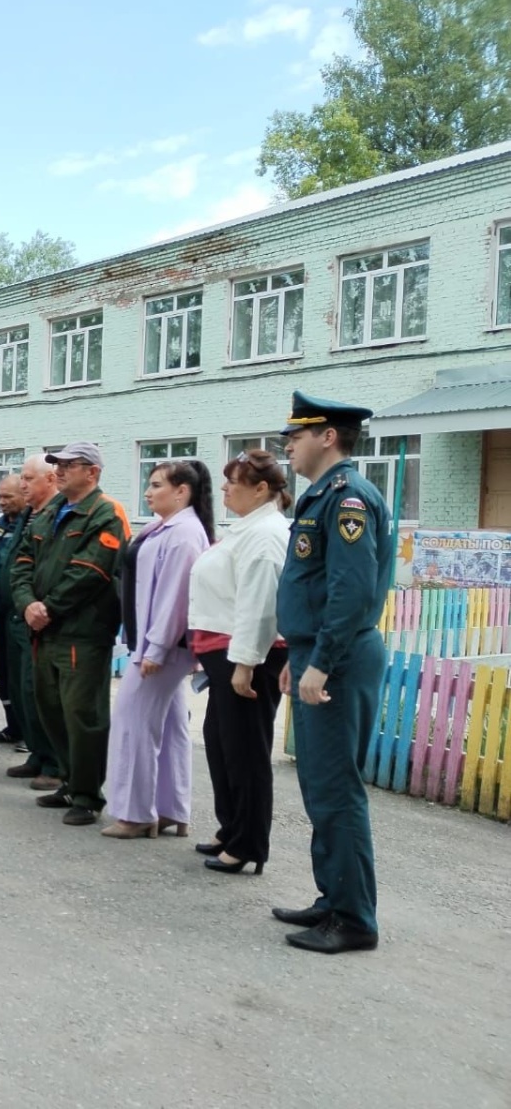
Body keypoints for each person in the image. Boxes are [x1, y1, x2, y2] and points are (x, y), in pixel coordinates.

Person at [273, 392, 392, 954]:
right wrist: (299, 660)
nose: (287, 445)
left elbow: (351, 591)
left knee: (337, 789)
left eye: (296, 434)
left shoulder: (347, 499)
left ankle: (354, 919)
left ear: (328, 436)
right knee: (320, 787)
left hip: (338, 659)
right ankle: (333, 898)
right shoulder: (320, 496)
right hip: (316, 654)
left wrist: (319, 662)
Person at [11, 441, 130, 826]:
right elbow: (22, 563)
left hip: (81, 632)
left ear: (92, 472)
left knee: (83, 714)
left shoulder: (105, 512)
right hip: (44, 630)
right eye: (57, 465)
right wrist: (28, 603)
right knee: (50, 709)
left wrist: (48, 608)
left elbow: (92, 570)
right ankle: (67, 778)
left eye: (68, 466)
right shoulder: (48, 514)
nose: (59, 471)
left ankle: (87, 794)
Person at [188, 449, 292, 874]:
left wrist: (246, 663)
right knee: (221, 743)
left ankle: (248, 843)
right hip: (225, 653)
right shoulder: (246, 527)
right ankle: (230, 826)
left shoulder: (266, 533)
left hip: (248, 655)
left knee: (246, 750)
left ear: (262, 489)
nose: (225, 489)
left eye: (234, 482)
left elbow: (259, 603)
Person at [101, 460, 215, 839]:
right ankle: (170, 808)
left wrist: (156, 648)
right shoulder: (166, 527)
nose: (148, 492)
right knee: (169, 727)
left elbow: (175, 597)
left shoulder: (183, 534)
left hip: (159, 648)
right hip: (152, 643)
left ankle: (136, 814)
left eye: (156, 485)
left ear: (181, 491)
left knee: (133, 723)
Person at [1, 456, 63, 790]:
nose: (22, 484)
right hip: (15, 613)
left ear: (50, 479)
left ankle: (54, 763)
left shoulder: (57, 513)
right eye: (21, 478)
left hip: (37, 617)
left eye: (28, 478)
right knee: (22, 690)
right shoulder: (28, 514)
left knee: (39, 691)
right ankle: (37, 754)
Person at [0, 470, 28, 748]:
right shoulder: (0, 524)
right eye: (0, 496)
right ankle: (13, 725)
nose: (2, 502)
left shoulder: (29, 526)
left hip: (20, 614)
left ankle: (29, 733)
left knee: (22, 675)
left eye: (8, 496)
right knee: (2, 671)